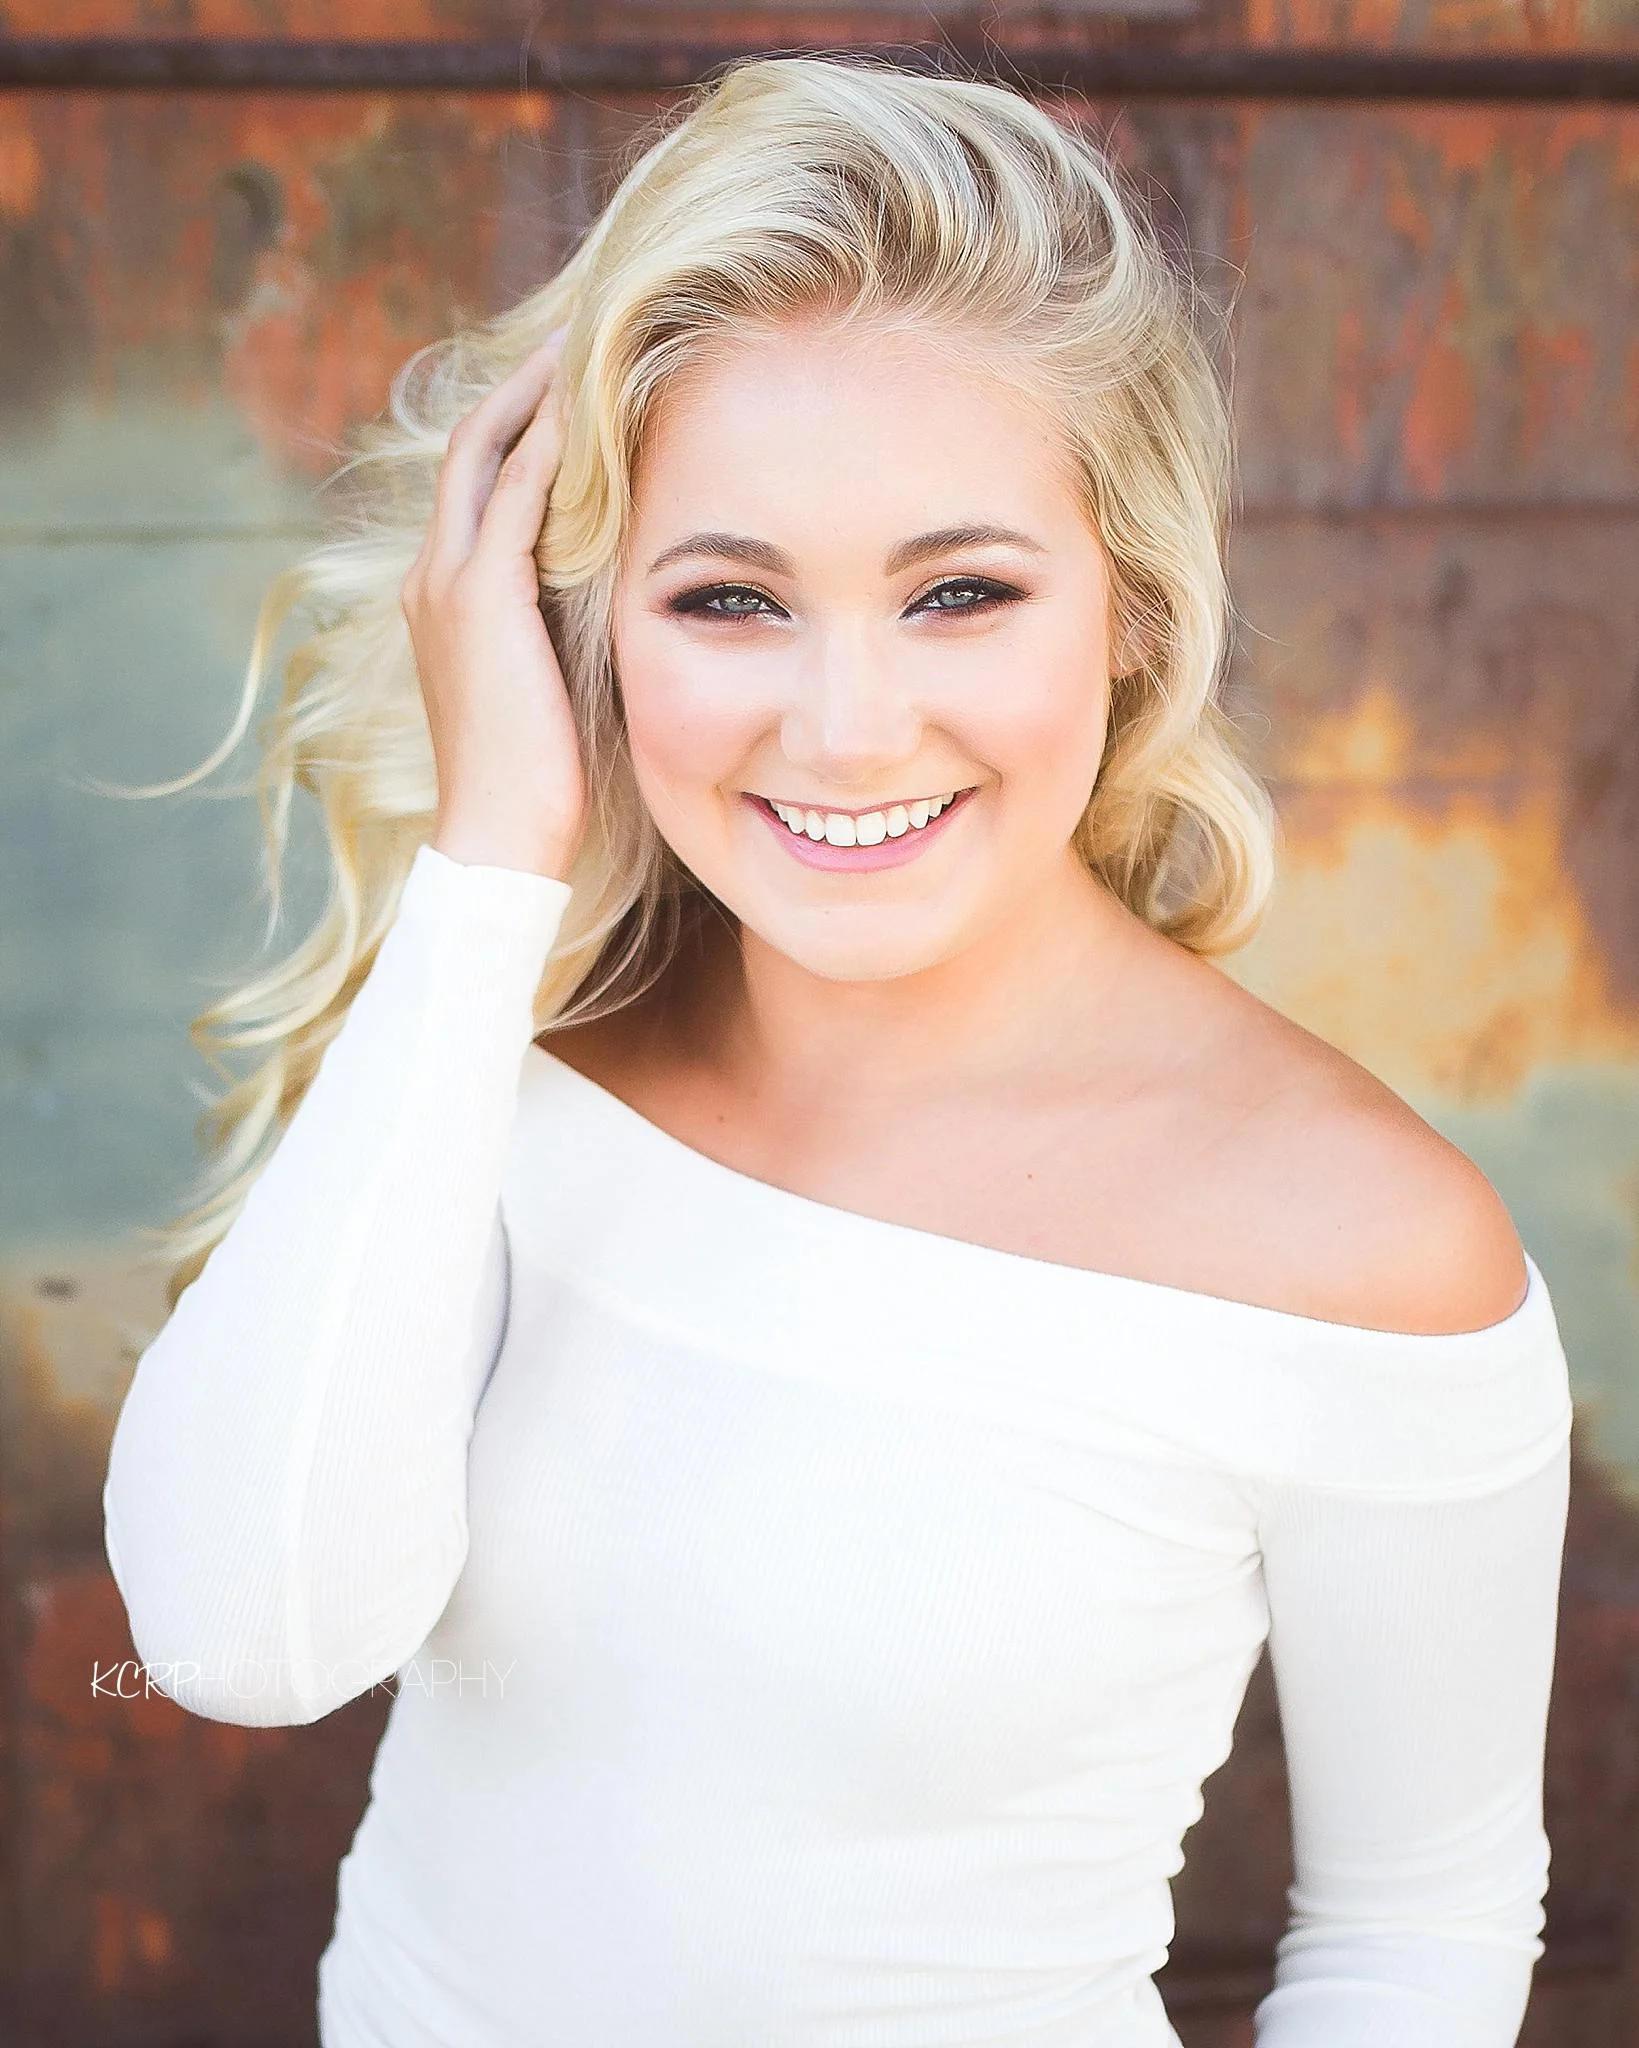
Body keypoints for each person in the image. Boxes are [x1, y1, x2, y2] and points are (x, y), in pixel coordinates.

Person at [100, 50, 1573, 2048]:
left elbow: (1422, 1925)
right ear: (577, 624)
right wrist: (487, 858)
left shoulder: (1366, 1246)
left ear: (1135, 608)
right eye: (729, 598)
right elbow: (241, 1639)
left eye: (960, 592)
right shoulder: (508, 1049)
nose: (850, 728)